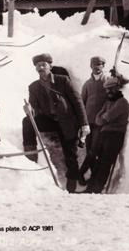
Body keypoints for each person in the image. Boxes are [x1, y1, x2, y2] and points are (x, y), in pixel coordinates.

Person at [23, 53, 90, 193]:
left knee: (70, 154)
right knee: (27, 121)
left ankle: (72, 186)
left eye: (44, 65)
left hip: (67, 121)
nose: (41, 67)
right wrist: (29, 110)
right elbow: (35, 108)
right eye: (38, 65)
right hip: (50, 120)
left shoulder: (63, 80)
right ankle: (31, 155)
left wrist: (84, 124)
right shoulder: (33, 87)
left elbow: (77, 102)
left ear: (50, 66)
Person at [83, 77, 129, 193]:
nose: (108, 92)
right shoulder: (108, 102)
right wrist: (103, 118)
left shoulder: (122, 103)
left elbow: (106, 118)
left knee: (105, 163)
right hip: (105, 134)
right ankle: (90, 188)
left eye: (110, 89)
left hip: (115, 136)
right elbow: (98, 118)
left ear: (117, 88)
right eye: (107, 90)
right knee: (98, 161)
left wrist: (103, 118)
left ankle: (97, 189)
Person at [79, 56, 109, 183]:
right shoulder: (87, 84)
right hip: (89, 121)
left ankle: (80, 174)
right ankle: (93, 177)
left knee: (95, 150)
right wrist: (82, 121)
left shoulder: (108, 81)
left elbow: (112, 98)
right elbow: (82, 102)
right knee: (90, 150)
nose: (97, 67)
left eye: (100, 64)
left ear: (103, 66)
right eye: (94, 64)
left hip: (101, 121)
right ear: (90, 66)